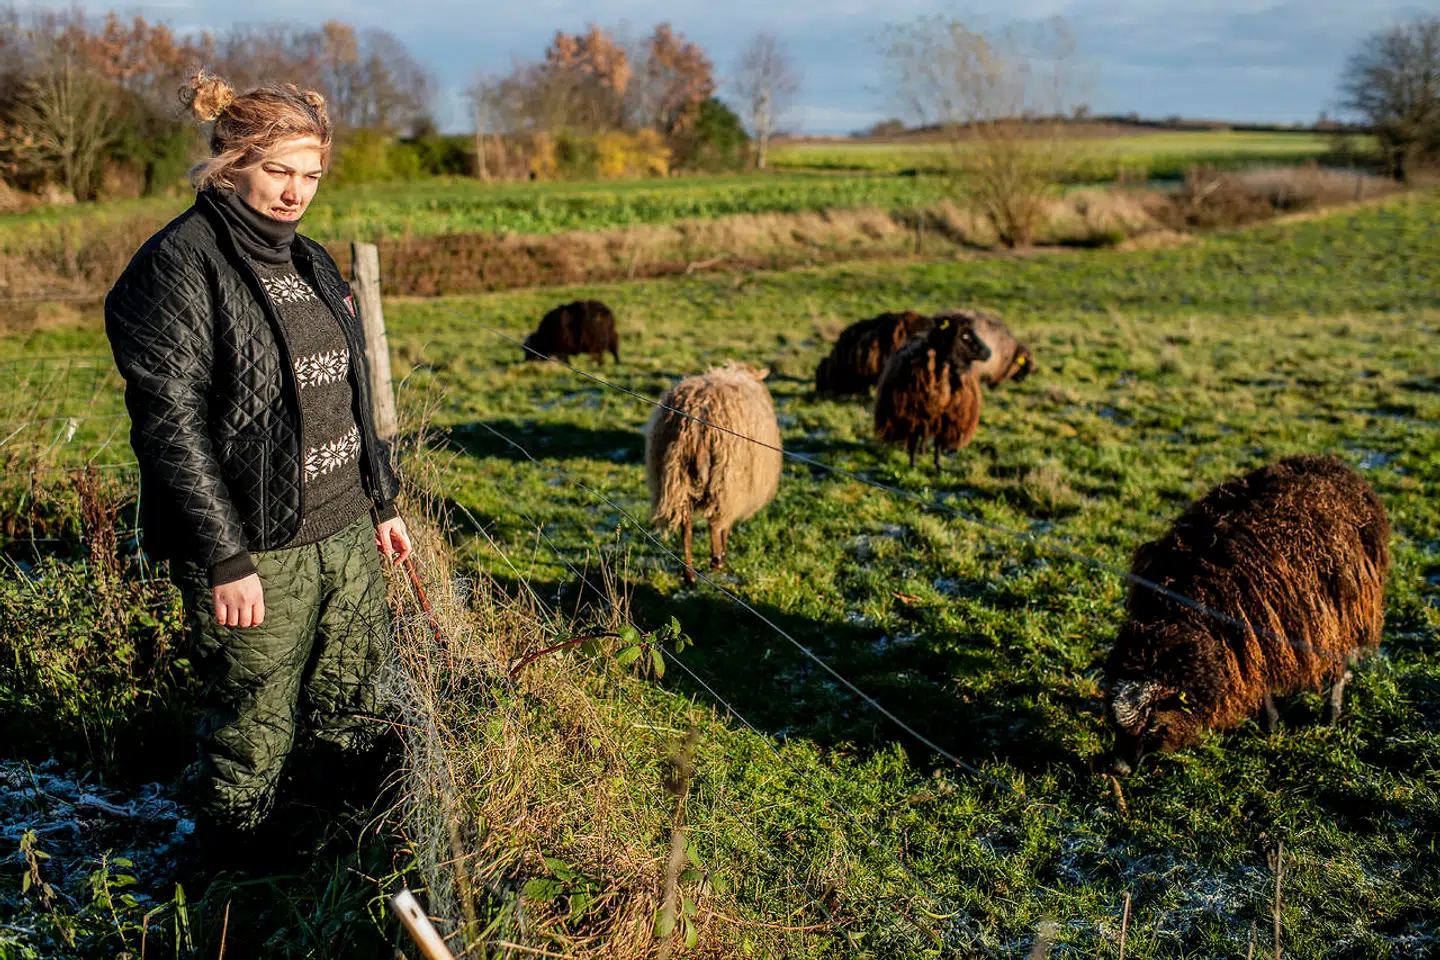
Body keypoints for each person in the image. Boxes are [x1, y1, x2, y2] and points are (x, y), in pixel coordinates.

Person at [104, 71, 410, 865]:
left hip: (344, 529)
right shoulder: (178, 265)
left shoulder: (309, 260)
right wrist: (223, 556)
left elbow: (349, 385)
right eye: (277, 170)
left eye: (310, 175)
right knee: (253, 724)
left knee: (352, 704)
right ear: (228, 161)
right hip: (258, 547)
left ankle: (329, 865)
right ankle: (229, 890)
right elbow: (169, 426)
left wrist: (382, 500)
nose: (294, 192)